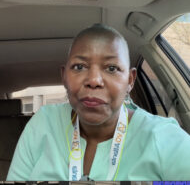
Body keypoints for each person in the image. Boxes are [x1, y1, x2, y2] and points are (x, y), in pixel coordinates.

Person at [7, 24, 190, 181]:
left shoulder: (164, 138)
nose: (94, 80)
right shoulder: (43, 124)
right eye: (79, 67)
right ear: (64, 77)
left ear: (130, 80)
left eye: (112, 68)